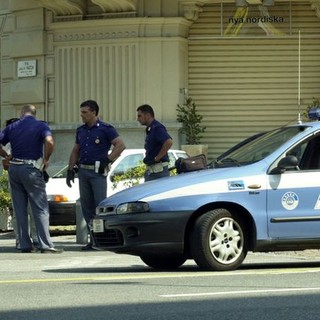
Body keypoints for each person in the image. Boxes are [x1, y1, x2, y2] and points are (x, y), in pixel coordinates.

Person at [0, 104, 62, 253]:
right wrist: (46, 159)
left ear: (22, 113)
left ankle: (24, 244)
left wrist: (6, 156)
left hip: (14, 168)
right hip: (31, 168)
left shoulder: (12, 126)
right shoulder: (41, 125)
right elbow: (49, 142)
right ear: (34, 114)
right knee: (40, 207)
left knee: (19, 209)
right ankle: (45, 245)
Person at [66, 99, 125, 250]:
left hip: (97, 171)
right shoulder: (81, 130)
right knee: (86, 207)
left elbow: (120, 145)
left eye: (85, 112)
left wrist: (108, 160)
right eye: (81, 112)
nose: (82, 115)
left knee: (99, 207)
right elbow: (75, 150)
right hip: (83, 171)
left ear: (94, 112)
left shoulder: (105, 129)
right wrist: (70, 169)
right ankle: (93, 240)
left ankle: (103, 239)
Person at [1, 118, 37, 250]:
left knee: (33, 210)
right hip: (15, 179)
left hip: (31, 177)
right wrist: (7, 157)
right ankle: (21, 240)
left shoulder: (29, 140)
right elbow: (5, 164)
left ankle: (37, 239)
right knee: (18, 212)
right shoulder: (8, 144)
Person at [136, 104, 173, 181]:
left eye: (140, 116)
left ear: (147, 115)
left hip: (159, 171)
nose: (138, 119)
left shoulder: (157, 128)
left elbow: (168, 142)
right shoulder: (150, 129)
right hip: (152, 171)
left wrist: (157, 158)